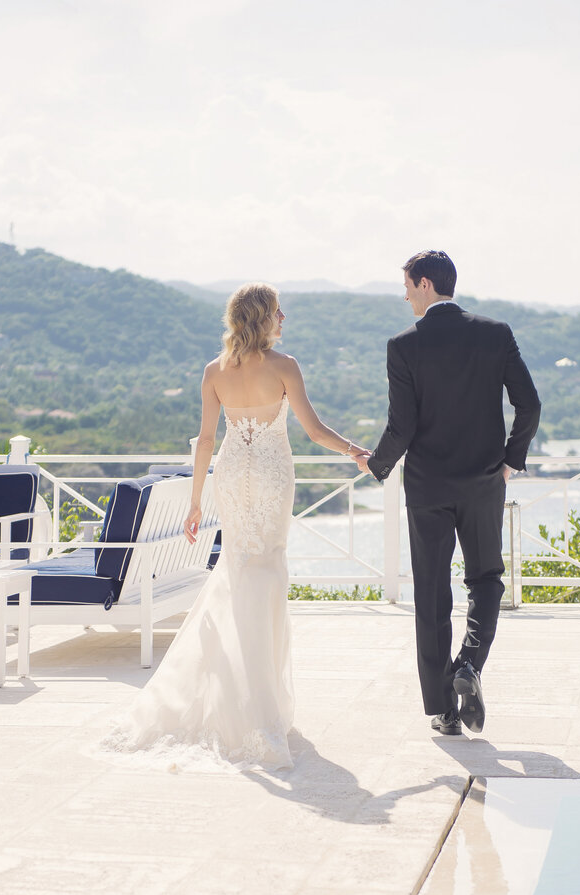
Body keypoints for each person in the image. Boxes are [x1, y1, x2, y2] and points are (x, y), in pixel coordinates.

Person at [101, 282, 367, 769]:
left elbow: (205, 440)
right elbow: (313, 430)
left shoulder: (213, 371)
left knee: (239, 570)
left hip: (230, 476)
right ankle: (262, 707)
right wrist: (355, 450)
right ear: (264, 317)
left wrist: (196, 501)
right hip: (269, 477)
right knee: (266, 575)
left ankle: (242, 696)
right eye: (279, 312)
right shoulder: (285, 366)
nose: (284, 319)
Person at [355, 250, 541, 736]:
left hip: (427, 488)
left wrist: (375, 463)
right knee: (486, 579)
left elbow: (402, 426)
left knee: (432, 593)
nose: (404, 296)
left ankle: (442, 710)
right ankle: (470, 665)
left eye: (406, 287)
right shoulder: (495, 333)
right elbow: (530, 406)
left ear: (423, 285)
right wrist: (509, 461)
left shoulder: (403, 345)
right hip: (483, 483)